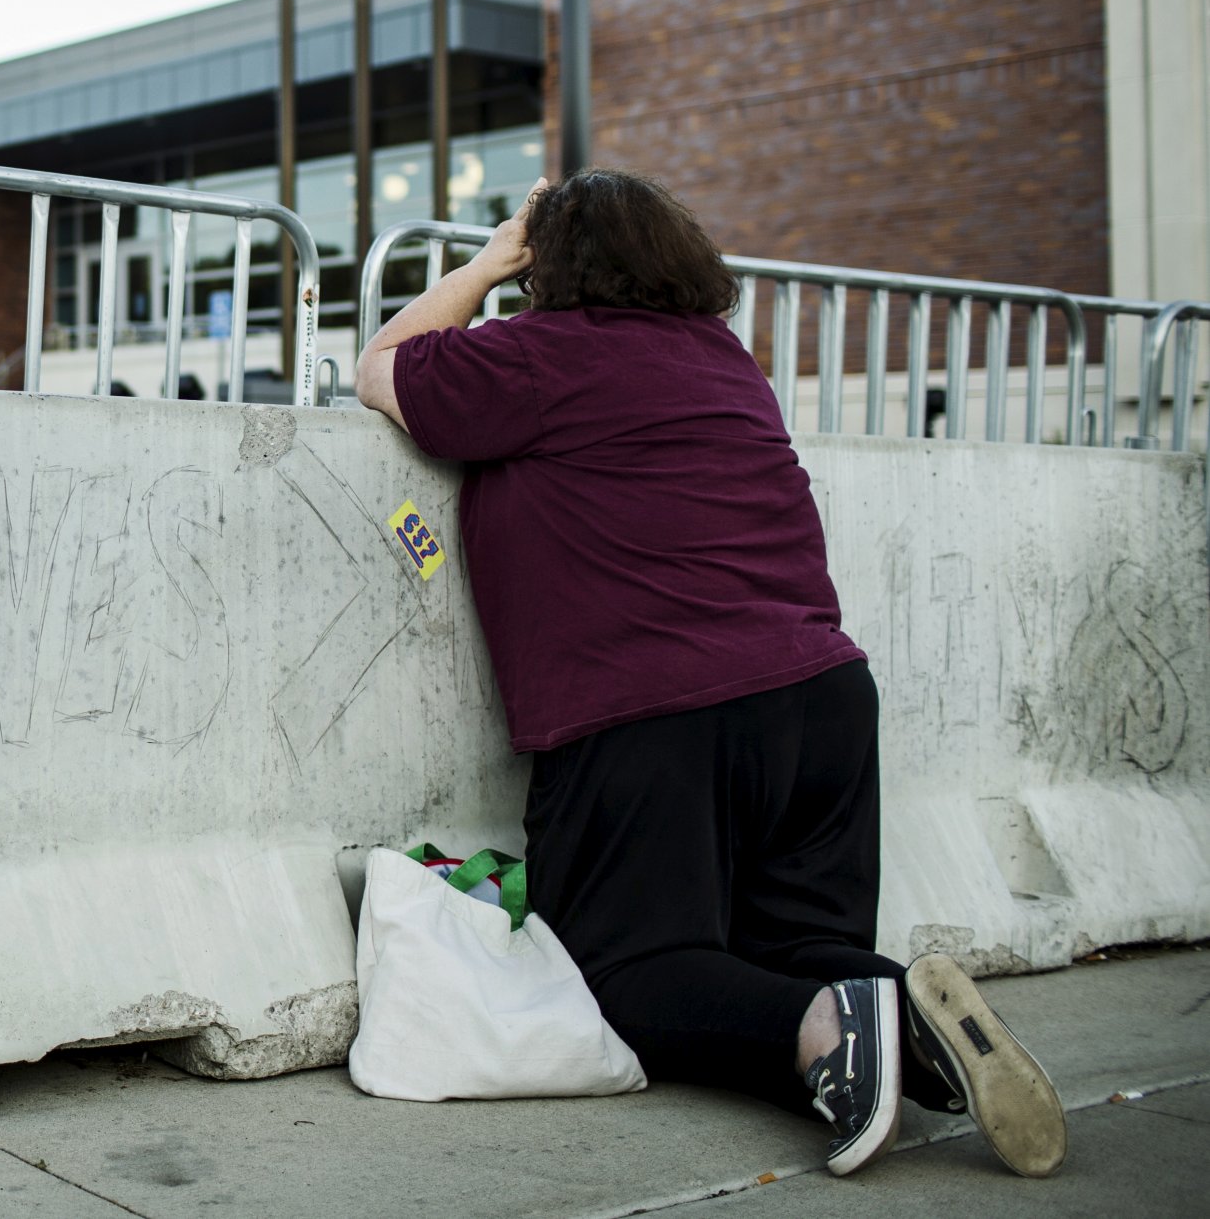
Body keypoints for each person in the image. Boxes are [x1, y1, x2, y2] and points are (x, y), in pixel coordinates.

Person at [354, 168, 1066, 1179]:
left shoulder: (536, 357)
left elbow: (380, 366)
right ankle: (892, 1007)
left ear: (546, 271)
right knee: (785, 945)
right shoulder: (724, 362)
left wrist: (484, 261)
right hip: (821, 698)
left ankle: (833, 1022)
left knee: (626, 974)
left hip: (656, 710)